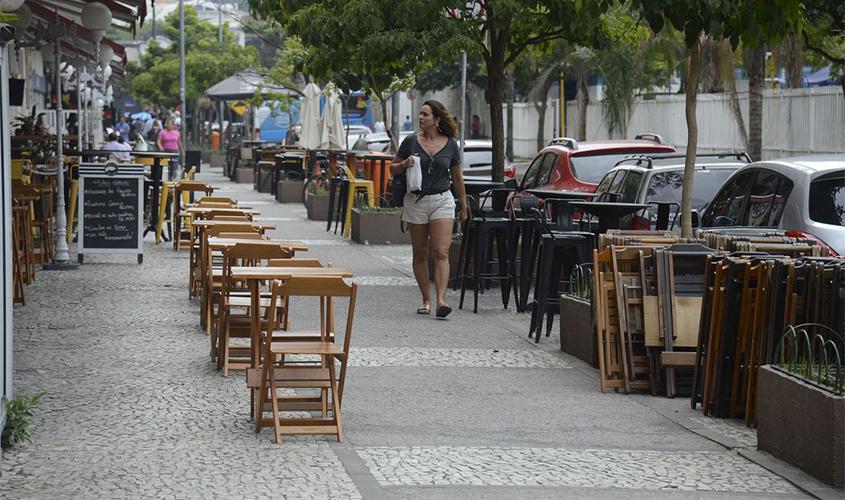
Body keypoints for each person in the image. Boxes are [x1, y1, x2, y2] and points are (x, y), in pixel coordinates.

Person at [390, 100, 468, 319]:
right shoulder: (410, 141)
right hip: (416, 201)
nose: (421, 117)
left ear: (437, 119)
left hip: (443, 199)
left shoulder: (451, 144)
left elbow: (457, 176)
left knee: (441, 252)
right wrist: (404, 165)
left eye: (425, 114)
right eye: (420, 114)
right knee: (421, 252)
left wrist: (463, 204)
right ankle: (426, 299)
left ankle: (441, 301)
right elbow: (392, 168)